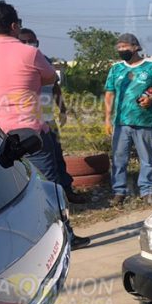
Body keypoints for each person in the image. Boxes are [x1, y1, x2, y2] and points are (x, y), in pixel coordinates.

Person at [0, 2, 90, 249]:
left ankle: (19, 241)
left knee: (7, 191)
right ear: (14, 26)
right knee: (48, 188)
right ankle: (64, 237)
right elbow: (50, 78)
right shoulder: (28, 53)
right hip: (30, 134)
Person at [18, 28, 88, 205]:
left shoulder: (44, 60)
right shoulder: (18, 64)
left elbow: (55, 88)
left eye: (32, 41)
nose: (29, 44)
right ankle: (45, 200)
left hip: (49, 119)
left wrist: (62, 109)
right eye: (24, 41)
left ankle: (66, 191)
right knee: (40, 164)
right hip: (31, 123)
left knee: (57, 157)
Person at [104, 33, 152, 206]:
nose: (121, 50)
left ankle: (147, 191)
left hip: (144, 121)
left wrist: (151, 99)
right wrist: (107, 118)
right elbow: (109, 93)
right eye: (119, 47)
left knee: (146, 158)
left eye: (125, 46)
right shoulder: (116, 69)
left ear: (135, 47)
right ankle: (119, 192)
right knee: (119, 159)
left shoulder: (151, 68)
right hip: (121, 122)